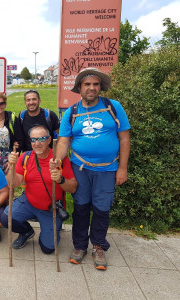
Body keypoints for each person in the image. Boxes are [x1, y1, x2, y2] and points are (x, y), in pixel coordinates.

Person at [52, 67, 131, 270]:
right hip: (80, 169)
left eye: (96, 84)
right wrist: (58, 160)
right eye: (87, 84)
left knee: (102, 209)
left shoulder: (114, 107)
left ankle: (98, 246)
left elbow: (124, 138)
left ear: (100, 87)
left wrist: (122, 168)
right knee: (81, 207)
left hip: (107, 169)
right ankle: (79, 246)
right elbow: (63, 142)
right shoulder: (72, 112)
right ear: (80, 88)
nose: (92, 88)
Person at [0, 125, 77, 253]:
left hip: (51, 208)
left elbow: (73, 188)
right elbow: (13, 184)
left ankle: (48, 230)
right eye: (33, 139)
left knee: (48, 248)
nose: (37, 143)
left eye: (42, 139)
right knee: (6, 218)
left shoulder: (59, 159)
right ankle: (27, 232)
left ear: (49, 140)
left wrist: (60, 180)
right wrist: (11, 166)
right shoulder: (25, 157)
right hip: (29, 202)